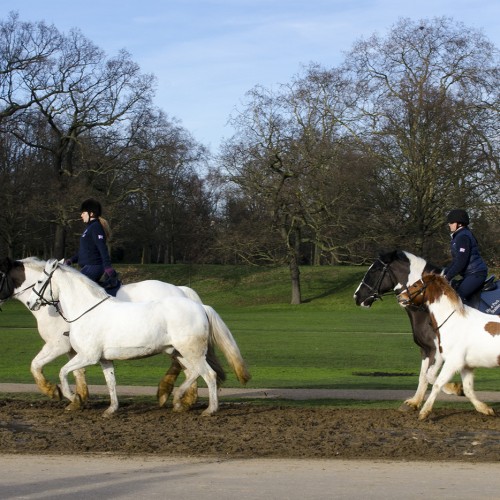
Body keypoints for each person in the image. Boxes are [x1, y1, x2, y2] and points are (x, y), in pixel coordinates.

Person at [65, 199, 119, 290]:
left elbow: (102, 247)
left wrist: (107, 266)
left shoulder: (95, 227)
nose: (81, 215)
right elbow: (86, 250)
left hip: (94, 266)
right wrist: (71, 260)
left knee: (77, 289)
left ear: (91, 214)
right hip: (88, 266)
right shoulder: (89, 228)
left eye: (83, 213)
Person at [444, 209, 488, 304]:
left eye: (451, 222)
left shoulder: (462, 237)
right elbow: (456, 260)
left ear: (459, 224)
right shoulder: (460, 235)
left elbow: (461, 261)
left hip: (476, 273)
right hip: (471, 273)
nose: (449, 224)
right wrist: (444, 272)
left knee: (457, 298)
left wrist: (448, 277)